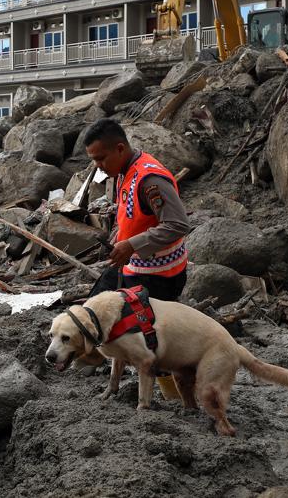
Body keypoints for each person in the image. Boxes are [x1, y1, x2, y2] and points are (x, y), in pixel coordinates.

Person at [83, 118, 191, 399]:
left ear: (119, 148)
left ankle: (174, 396)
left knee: (155, 340)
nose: (98, 166)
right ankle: (99, 364)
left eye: (101, 159)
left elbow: (178, 224)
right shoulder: (123, 171)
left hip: (160, 275)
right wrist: (122, 238)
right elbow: (133, 215)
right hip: (134, 265)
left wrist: (132, 244)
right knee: (96, 310)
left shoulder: (151, 179)